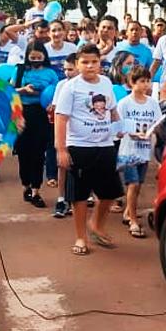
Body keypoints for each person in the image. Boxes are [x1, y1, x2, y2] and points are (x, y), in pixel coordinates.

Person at [55, 44, 123, 255]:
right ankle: (81, 237)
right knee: (80, 196)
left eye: (94, 61)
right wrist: (62, 149)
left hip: (105, 145)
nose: (90, 66)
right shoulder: (71, 87)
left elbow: (112, 111)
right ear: (77, 64)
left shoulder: (106, 82)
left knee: (110, 192)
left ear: (100, 64)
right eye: (84, 62)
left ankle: (97, 225)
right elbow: (61, 118)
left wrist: (119, 129)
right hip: (79, 147)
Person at [13, 41, 59, 209]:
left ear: (44, 57)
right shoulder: (19, 70)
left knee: (39, 153)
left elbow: (56, 92)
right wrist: (23, 90)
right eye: (32, 58)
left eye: (39, 57)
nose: (35, 60)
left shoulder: (51, 73)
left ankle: (36, 190)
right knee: (23, 152)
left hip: (41, 115)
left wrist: (51, 102)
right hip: (22, 113)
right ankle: (26, 185)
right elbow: (9, 91)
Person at [116, 66, 160, 238]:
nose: (145, 85)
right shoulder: (125, 104)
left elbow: (157, 124)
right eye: (141, 81)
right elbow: (118, 128)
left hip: (144, 150)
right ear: (132, 83)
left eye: (147, 81)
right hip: (129, 150)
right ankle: (133, 221)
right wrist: (133, 133)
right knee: (133, 185)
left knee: (138, 185)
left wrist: (152, 133)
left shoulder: (153, 103)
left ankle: (128, 211)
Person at [49, 53, 78, 219]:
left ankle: (76, 198)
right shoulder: (61, 85)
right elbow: (56, 108)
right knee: (62, 166)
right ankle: (61, 199)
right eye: (65, 69)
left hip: (80, 134)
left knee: (78, 167)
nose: (67, 72)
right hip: (64, 130)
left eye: (71, 69)